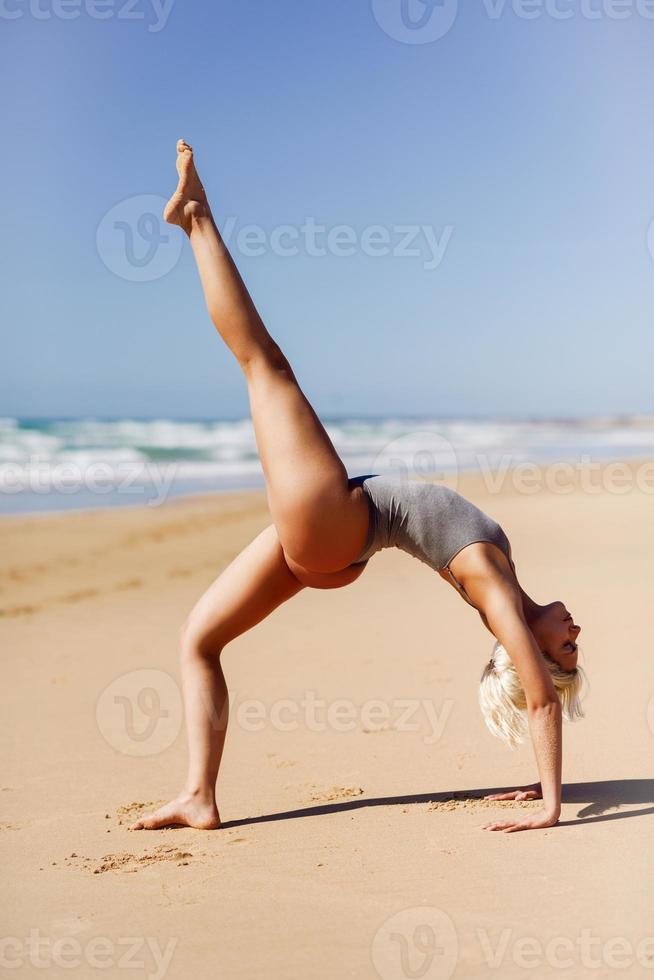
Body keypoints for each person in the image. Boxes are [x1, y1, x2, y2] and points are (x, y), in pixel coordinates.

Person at [130, 141, 585, 835]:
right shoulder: (504, 580)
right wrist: (535, 780)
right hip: (338, 543)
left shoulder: (498, 592)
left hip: (341, 525)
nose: (574, 629)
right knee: (198, 640)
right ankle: (199, 795)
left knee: (266, 366)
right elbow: (538, 696)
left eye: (567, 648)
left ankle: (196, 218)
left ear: (531, 650)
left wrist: (551, 804)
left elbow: (542, 706)